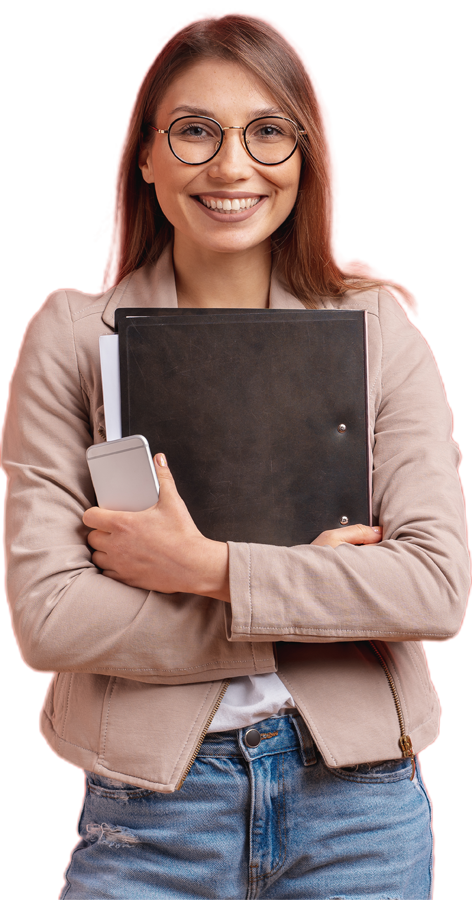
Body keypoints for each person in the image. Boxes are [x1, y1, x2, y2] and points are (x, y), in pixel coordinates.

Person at [1, 13, 469, 900]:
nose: (231, 167)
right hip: (150, 813)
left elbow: (433, 588)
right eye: (195, 132)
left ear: (303, 155)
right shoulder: (68, 337)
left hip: (359, 809)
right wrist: (313, 605)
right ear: (144, 156)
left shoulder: (374, 328)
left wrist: (202, 568)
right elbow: (52, 618)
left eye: (267, 132)